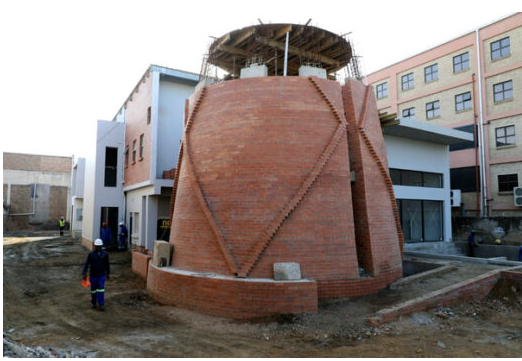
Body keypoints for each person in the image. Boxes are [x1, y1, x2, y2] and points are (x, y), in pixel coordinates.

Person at [82, 239, 110, 311]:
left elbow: (107, 264)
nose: (98, 247)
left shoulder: (105, 254)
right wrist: (84, 273)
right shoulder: (91, 254)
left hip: (101, 275)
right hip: (93, 275)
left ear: (101, 246)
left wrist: (108, 273)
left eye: (99, 246)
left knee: (101, 289)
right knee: (93, 290)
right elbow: (86, 264)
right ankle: (94, 302)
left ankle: (101, 304)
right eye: (96, 246)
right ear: (94, 246)